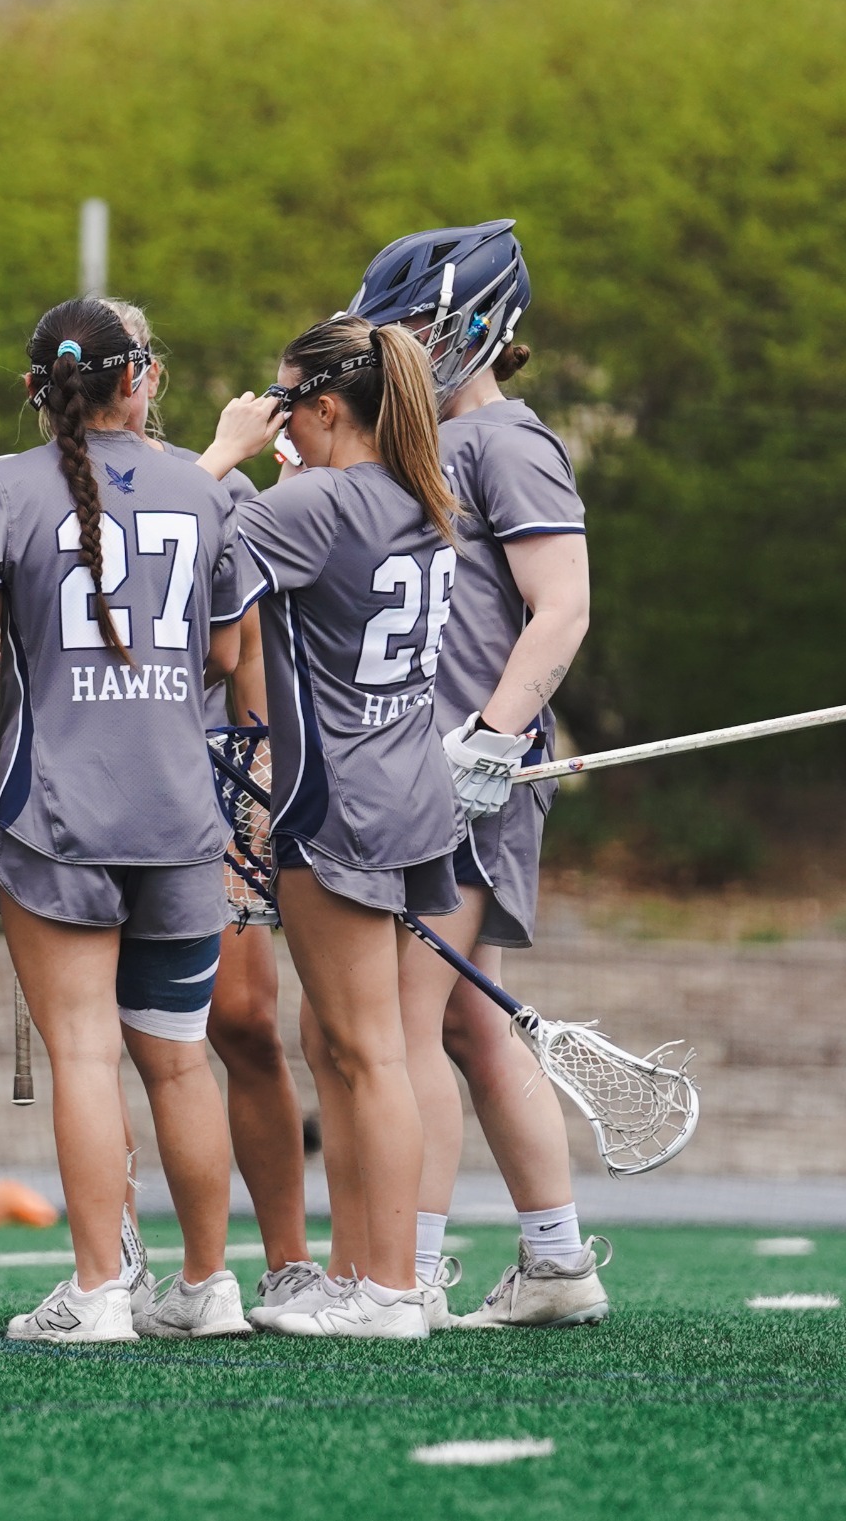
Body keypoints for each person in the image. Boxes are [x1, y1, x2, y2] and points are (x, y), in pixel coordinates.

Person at [0, 297, 257, 1345]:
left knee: (82, 1053)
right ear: (142, 379)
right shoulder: (206, 489)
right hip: (178, 809)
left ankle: (98, 1289)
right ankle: (207, 1285)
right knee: (177, 1057)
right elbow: (221, 655)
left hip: (56, 807)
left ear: (36, 389)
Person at [348, 222, 607, 1328]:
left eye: (417, 329)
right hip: (420, 771)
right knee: (467, 1024)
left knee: (407, 1028)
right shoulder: (424, 445)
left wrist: (494, 742)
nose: (398, 350)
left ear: (478, 329)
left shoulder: (506, 441)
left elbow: (562, 606)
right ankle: (554, 1263)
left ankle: (400, 1274)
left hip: (468, 778)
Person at [197, 314, 463, 1339]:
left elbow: (167, 541)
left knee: (365, 1048)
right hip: (407, 786)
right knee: (343, 1040)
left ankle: (388, 1285)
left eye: (283, 401)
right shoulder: (413, 490)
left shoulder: (312, 501)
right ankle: (363, 1269)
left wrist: (221, 455)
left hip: (337, 796)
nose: (275, 420)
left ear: (320, 405)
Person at [107, 299, 316, 1327]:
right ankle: (117, 1265)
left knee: (238, 1022)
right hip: (90, 790)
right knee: (98, 1041)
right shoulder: (67, 484)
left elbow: (245, 652)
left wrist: (261, 765)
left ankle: (285, 1260)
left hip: (204, 783)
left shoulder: (205, 489)